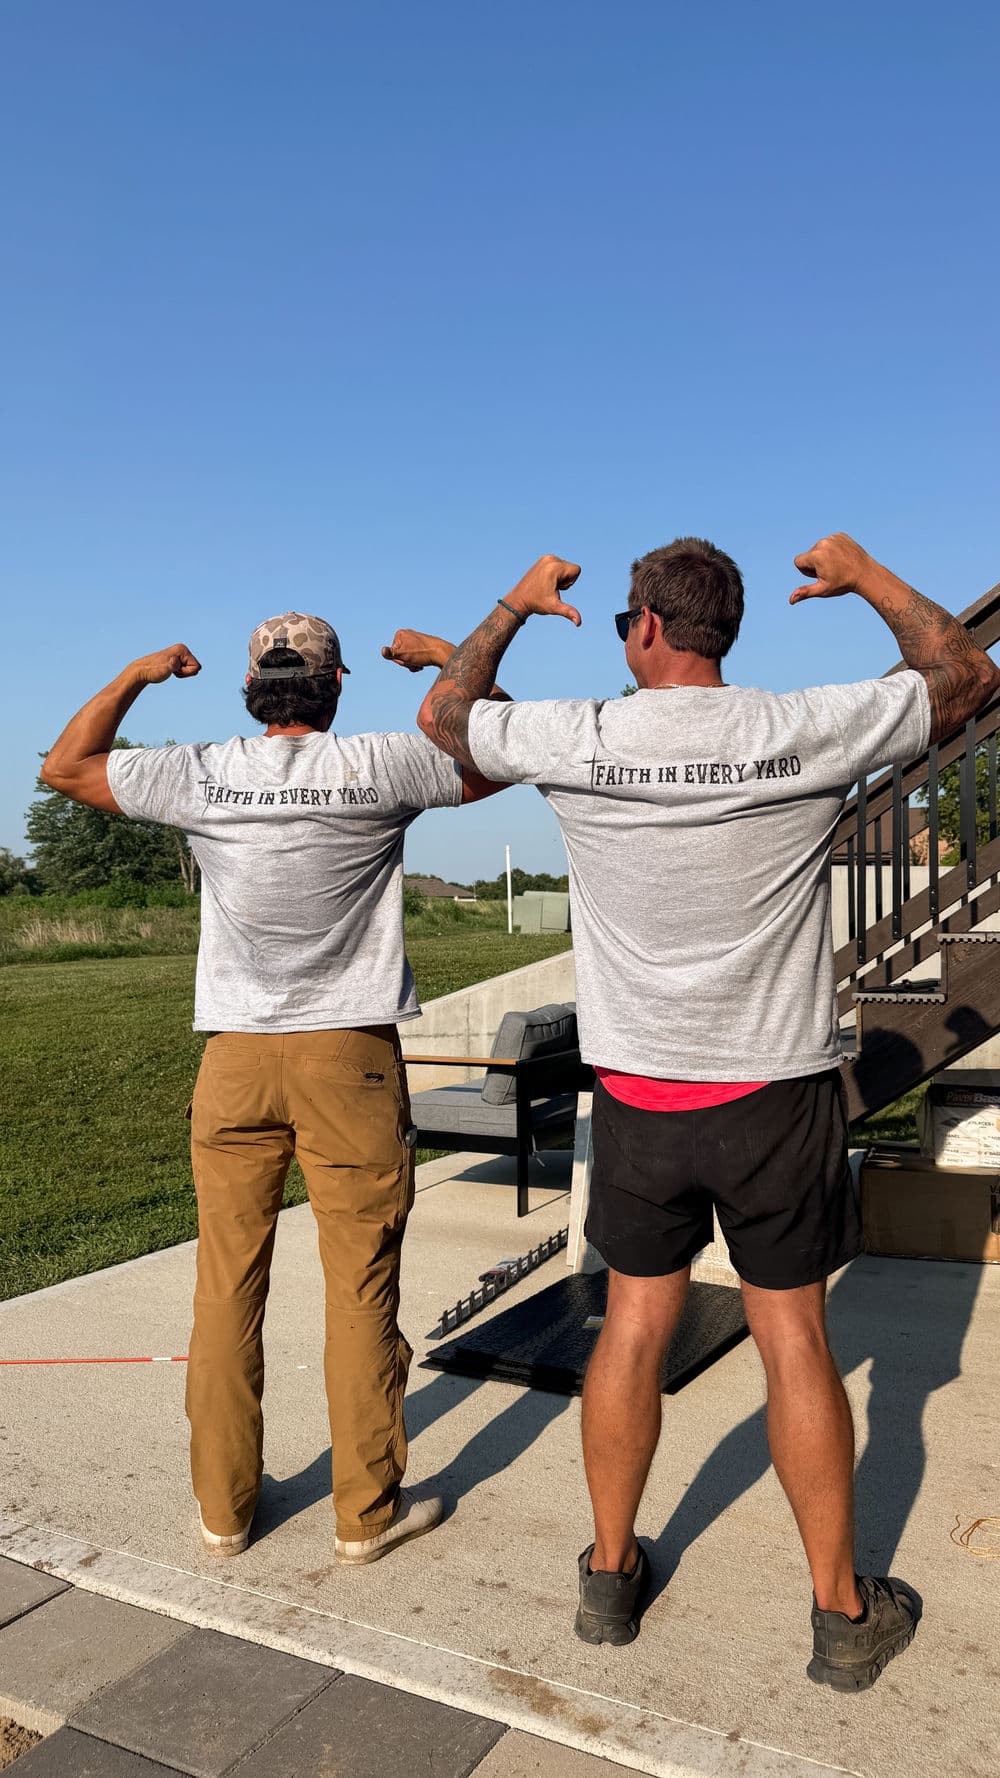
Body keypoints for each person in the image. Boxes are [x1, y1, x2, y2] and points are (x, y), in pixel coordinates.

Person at [408, 531, 1000, 1690]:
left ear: (640, 627)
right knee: (795, 1339)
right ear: (726, 631)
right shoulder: (799, 725)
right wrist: (868, 573)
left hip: (637, 1093)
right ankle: (839, 1614)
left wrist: (515, 605)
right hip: (774, 1091)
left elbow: (446, 716)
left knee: (631, 1326)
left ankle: (610, 1573)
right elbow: (967, 675)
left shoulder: (580, 736)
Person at [41, 614, 504, 1566]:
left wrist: (134, 673)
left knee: (224, 1289)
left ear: (252, 688)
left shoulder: (198, 771)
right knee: (362, 1290)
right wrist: (448, 668)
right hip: (351, 1058)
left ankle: (225, 1512)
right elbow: (502, 753)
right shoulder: (382, 764)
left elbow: (65, 766)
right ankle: (364, 1515)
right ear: (335, 687)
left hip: (237, 1059)